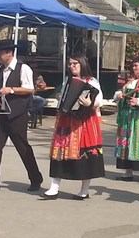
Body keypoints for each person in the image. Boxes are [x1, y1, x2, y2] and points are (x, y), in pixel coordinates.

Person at [0, 39, 44, 193]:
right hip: (0, 113)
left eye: (0, 53)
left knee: (22, 147)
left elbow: (29, 89)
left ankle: (35, 178)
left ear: (10, 53)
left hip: (17, 114)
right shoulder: (0, 70)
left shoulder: (23, 68)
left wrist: (12, 90)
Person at [42, 56, 105, 199]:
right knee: (59, 153)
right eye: (69, 64)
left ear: (82, 64)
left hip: (85, 122)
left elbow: (99, 101)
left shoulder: (92, 82)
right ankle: (54, 187)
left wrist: (90, 103)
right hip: (66, 121)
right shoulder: (67, 81)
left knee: (85, 155)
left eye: (74, 64)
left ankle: (84, 190)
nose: (71, 66)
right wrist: (61, 97)